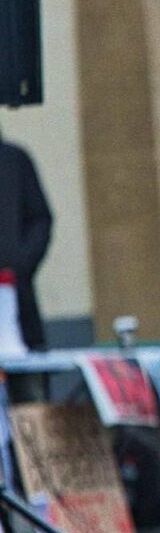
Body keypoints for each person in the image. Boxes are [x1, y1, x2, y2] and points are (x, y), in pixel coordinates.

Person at [0, 136, 53, 402]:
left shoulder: (14, 160)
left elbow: (40, 219)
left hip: (16, 298)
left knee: (30, 401)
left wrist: (21, 263)